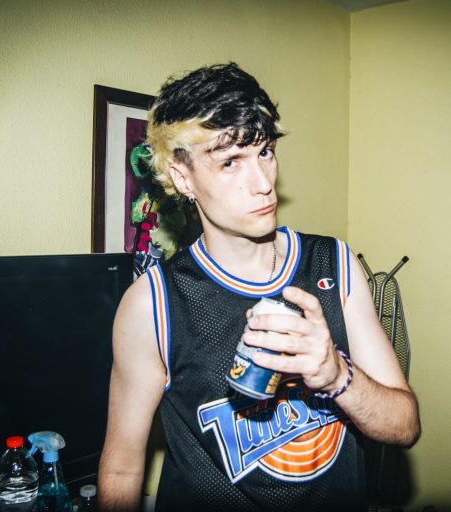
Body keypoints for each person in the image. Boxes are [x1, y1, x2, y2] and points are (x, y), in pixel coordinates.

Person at [97, 63, 420, 512]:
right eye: (230, 162)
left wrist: (336, 376)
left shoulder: (335, 264)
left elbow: (405, 426)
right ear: (184, 178)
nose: (264, 183)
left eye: (265, 152)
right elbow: (121, 468)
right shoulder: (152, 304)